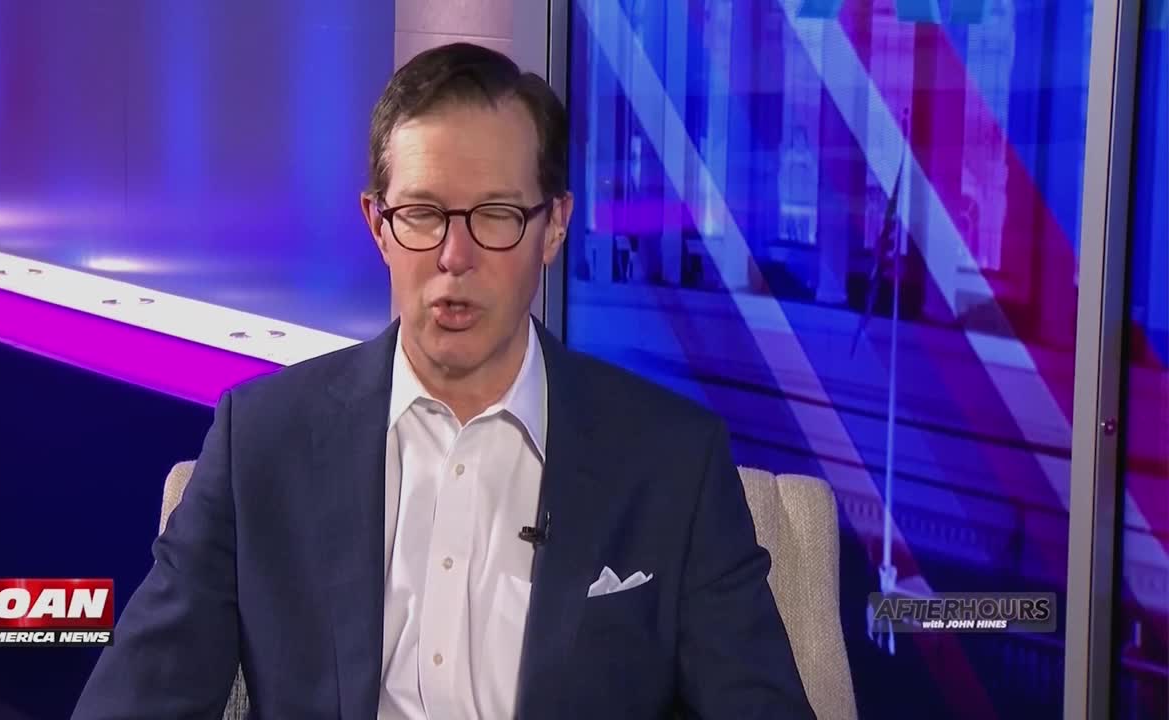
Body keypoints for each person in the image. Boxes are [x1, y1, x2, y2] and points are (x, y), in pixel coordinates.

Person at [74, 42, 814, 719]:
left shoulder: (670, 462)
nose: (455, 256)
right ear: (377, 224)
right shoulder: (260, 442)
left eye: (495, 214)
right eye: (423, 214)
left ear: (553, 226)